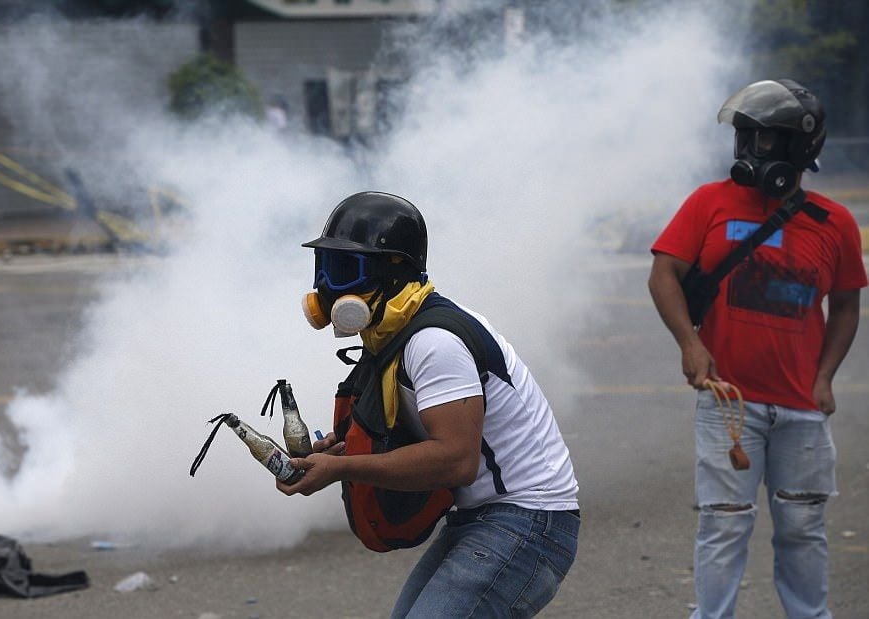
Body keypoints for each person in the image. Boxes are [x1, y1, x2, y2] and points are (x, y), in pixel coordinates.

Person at [278, 191, 580, 618]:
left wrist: (341, 469)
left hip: (529, 520)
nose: (327, 289)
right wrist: (332, 456)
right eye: (325, 269)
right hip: (486, 517)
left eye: (345, 271)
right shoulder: (391, 335)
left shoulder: (433, 342)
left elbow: (456, 461)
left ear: (394, 273)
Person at [648, 79, 866, 618]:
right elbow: (663, 275)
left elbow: (844, 306)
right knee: (723, 526)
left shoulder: (834, 222)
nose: (748, 152)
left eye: (762, 141)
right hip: (728, 407)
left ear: (797, 148)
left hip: (801, 409)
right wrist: (690, 344)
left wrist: (825, 378)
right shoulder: (709, 202)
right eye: (745, 138)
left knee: (802, 530)